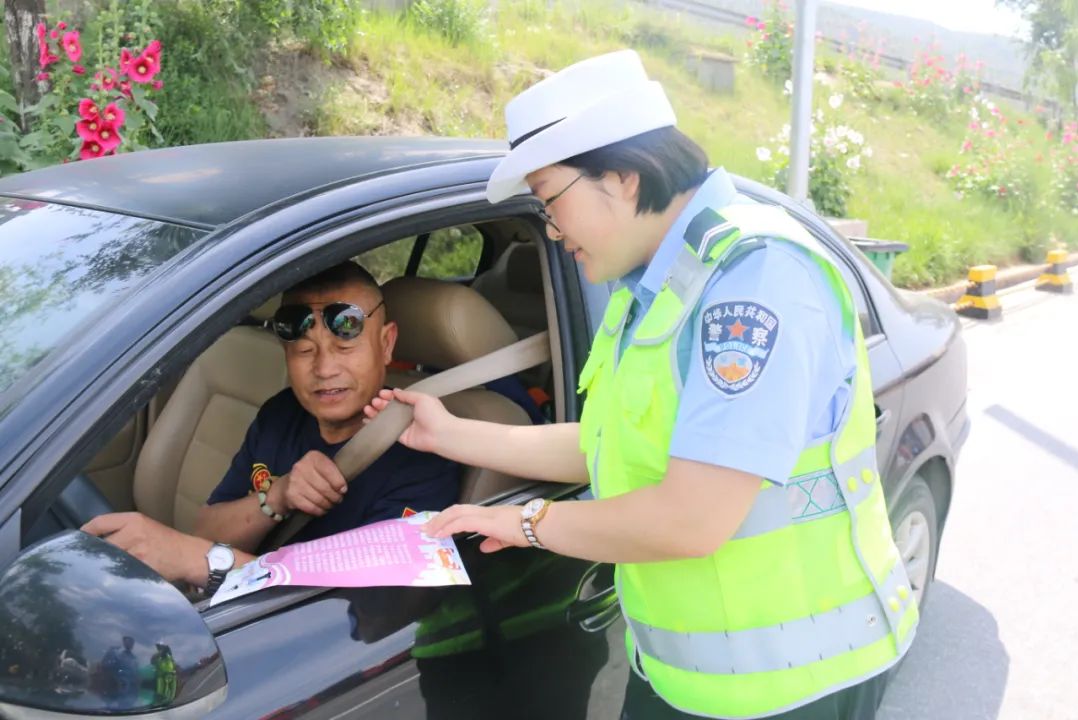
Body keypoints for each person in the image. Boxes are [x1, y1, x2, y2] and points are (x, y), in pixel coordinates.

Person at [363, 50, 917, 719]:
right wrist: (453, 433)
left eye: (549, 202)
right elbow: (612, 445)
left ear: (623, 178)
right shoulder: (648, 286)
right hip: (680, 677)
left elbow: (690, 518)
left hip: (789, 688)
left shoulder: (752, 280)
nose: (551, 229)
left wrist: (528, 522)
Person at [83, 262, 460, 591]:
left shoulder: (422, 449)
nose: (325, 369)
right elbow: (207, 530)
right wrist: (276, 497)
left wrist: (199, 561)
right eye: (304, 350)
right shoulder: (281, 414)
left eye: (345, 347)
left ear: (387, 343)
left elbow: (362, 605)